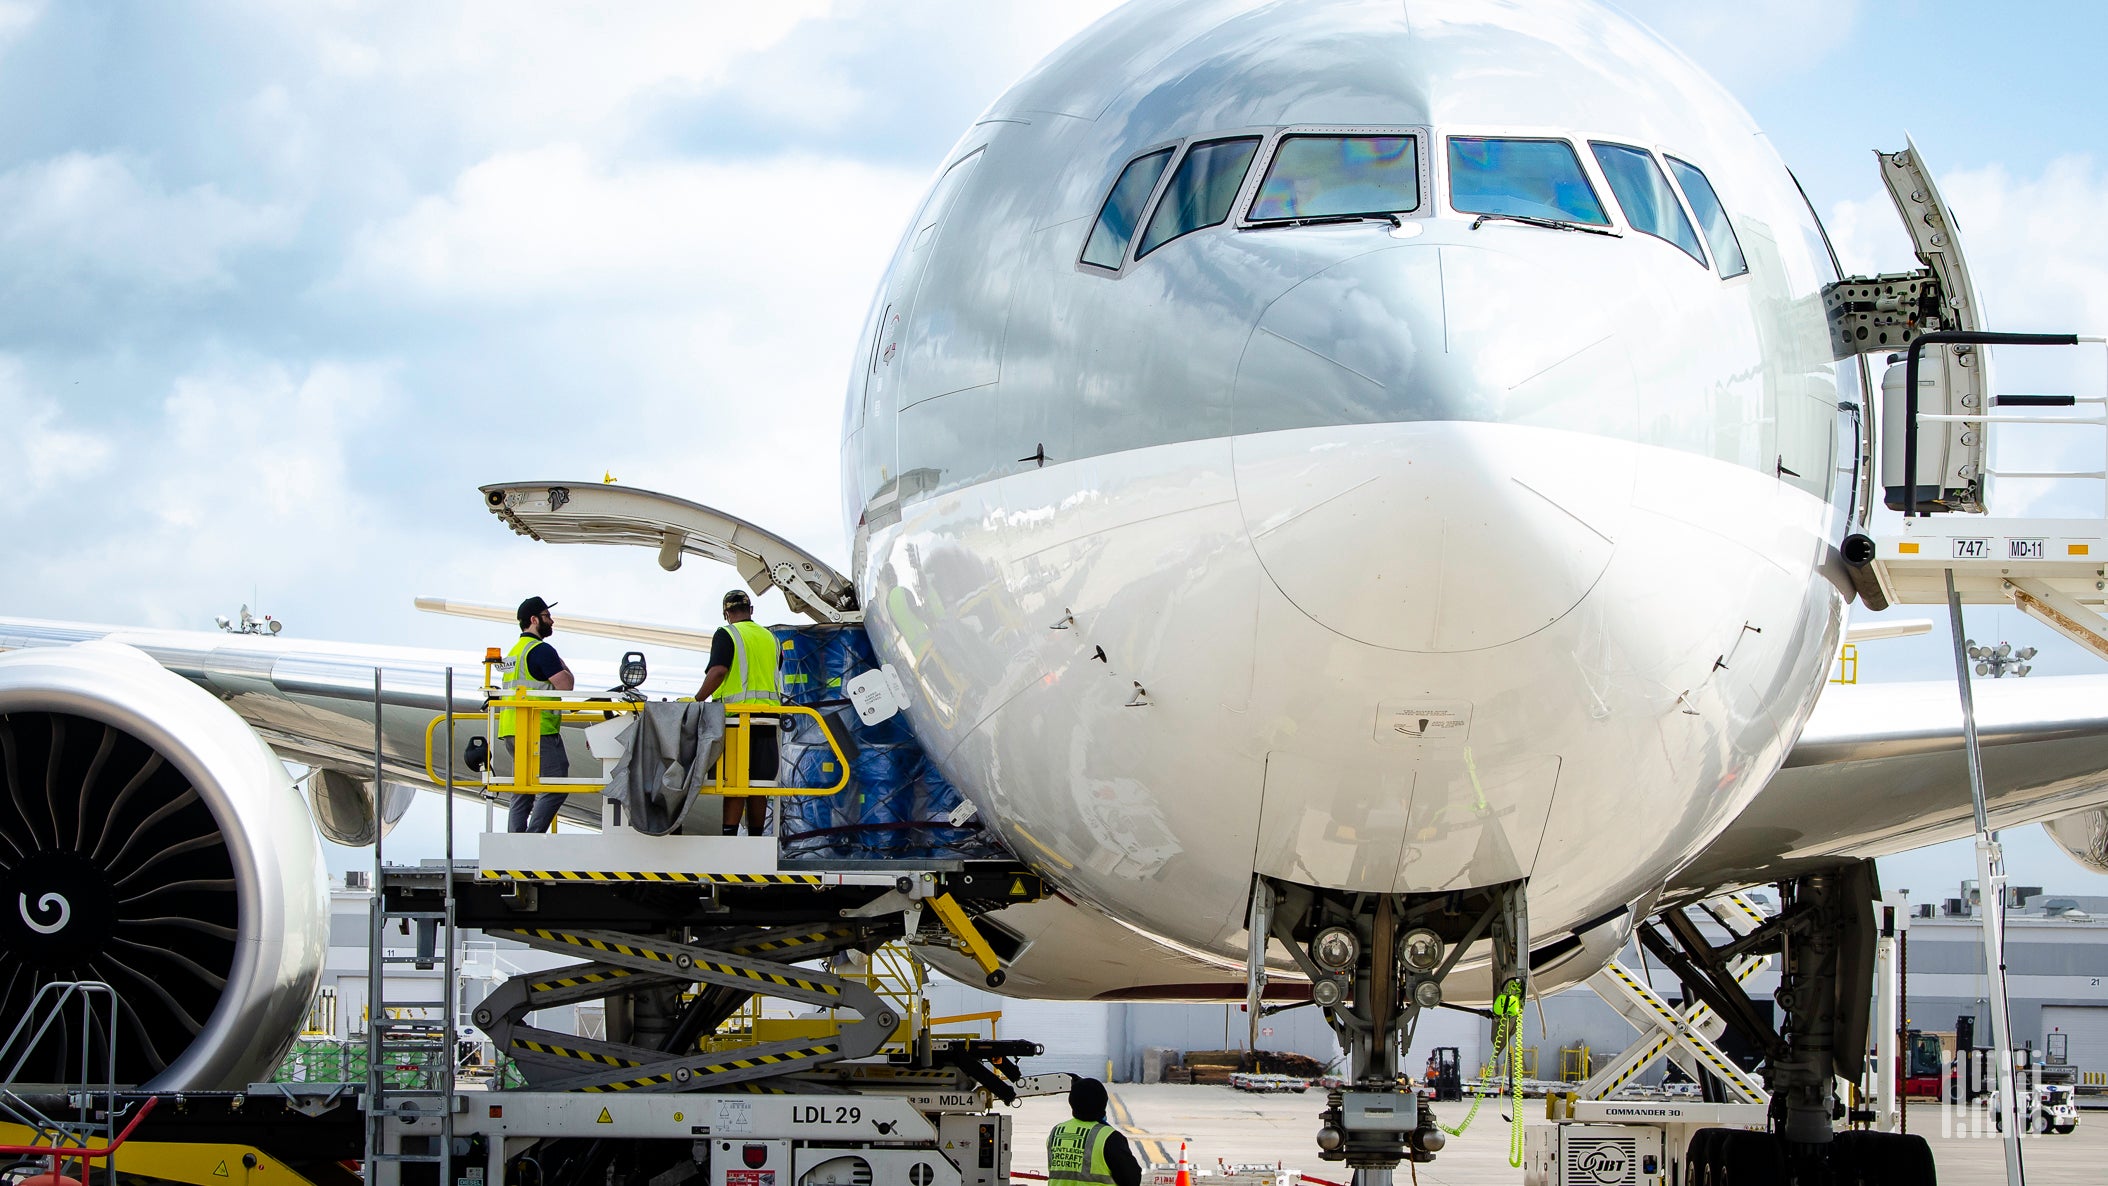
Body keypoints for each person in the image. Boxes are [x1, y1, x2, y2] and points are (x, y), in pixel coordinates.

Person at [694, 588, 781, 836]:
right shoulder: (770, 638)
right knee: (759, 784)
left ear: (726, 614)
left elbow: (719, 671)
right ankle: (755, 839)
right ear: (751, 610)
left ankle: (730, 837)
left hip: (737, 720)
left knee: (735, 782)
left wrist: (697, 699)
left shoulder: (727, 634)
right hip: (768, 720)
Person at [497, 595, 574, 833]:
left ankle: (516, 842)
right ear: (534, 619)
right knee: (556, 784)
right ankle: (532, 839)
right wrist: (562, 664)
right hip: (538, 729)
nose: (552, 621)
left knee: (523, 788)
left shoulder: (514, 652)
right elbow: (566, 686)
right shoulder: (541, 651)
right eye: (547, 616)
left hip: (512, 729)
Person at [1047, 1077, 1141, 1186]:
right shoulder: (1109, 1137)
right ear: (1102, 1102)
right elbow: (1132, 1179)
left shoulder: (1056, 1132)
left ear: (1072, 1102)